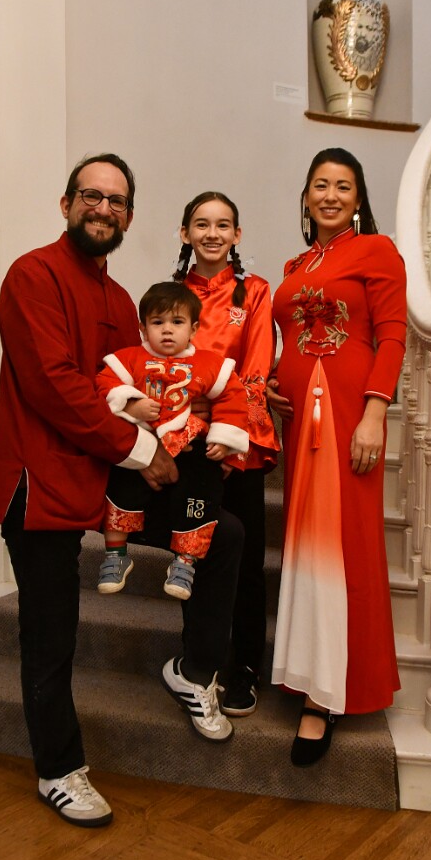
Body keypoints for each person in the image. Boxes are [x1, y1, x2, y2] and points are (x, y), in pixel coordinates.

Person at [0, 154, 244, 829]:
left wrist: (212, 406)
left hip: (104, 477)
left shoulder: (122, 300)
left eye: (116, 201)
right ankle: (59, 770)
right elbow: (54, 385)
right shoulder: (31, 276)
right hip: (39, 482)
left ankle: (191, 668)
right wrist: (142, 449)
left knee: (224, 535)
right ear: (66, 204)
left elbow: (145, 385)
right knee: (51, 633)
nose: (103, 208)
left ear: (129, 216)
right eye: (91, 196)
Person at [267, 148, 407, 767]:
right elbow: (288, 337)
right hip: (301, 421)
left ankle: (328, 697)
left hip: (350, 412)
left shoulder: (377, 250)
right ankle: (308, 671)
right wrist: (273, 379)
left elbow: (393, 333)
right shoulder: (298, 263)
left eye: (343, 186)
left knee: (342, 541)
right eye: (319, 185)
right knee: (307, 542)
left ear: (358, 197)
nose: (330, 195)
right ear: (305, 197)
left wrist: (376, 411)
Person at [174, 192, 279, 716]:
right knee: (194, 550)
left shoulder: (254, 292)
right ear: (185, 234)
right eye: (201, 224)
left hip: (240, 444)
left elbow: (255, 368)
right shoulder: (170, 295)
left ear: (237, 235)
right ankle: (200, 659)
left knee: (247, 562)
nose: (212, 233)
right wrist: (190, 430)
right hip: (187, 444)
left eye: (223, 225)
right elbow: (160, 366)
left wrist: (228, 431)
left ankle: (243, 668)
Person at [95, 280, 249, 601]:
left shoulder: (210, 363)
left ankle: (185, 561)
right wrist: (131, 402)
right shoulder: (129, 359)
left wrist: (225, 437)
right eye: (157, 322)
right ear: (142, 328)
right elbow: (104, 385)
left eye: (177, 322)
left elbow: (233, 397)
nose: (167, 330)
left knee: (202, 486)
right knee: (119, 479)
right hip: (143, 443)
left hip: (188, 441)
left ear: (193, 329)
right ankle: (115, 553)